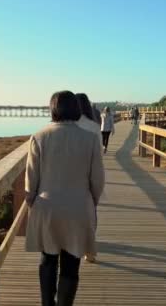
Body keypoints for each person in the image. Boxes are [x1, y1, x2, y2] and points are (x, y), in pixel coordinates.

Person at [26, 90, 105, 306]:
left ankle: (46, 303)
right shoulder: (90, 138)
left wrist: (31, 201)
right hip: (79, 207)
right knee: (71, 263)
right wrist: (91, 201)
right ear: (77, 110)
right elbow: (97, 180)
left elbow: (31, 180)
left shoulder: (39, 137)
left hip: (47, 206)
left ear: (52, 109)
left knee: (48, 259)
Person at [75, 93, 101, 264]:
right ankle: (89, 250)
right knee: (91, 212)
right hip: (89, 174)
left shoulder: (70, 125)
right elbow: (98, 154)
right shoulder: (93, 126)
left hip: (69, 175)